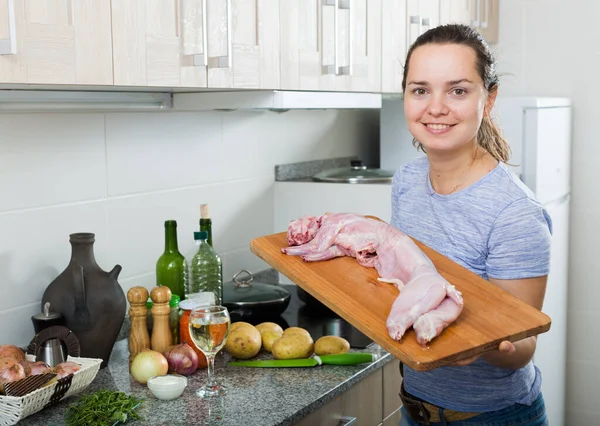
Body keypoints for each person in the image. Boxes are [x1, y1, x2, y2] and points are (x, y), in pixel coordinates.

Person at [391, 24, 552, 426]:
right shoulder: (407, 182)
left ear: (489, 98)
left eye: (458, 90)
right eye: (421, 89)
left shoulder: (514, 212)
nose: (436, 107)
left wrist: (473, 344)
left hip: (492, 417)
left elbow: (524, 346)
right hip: (415, 407)